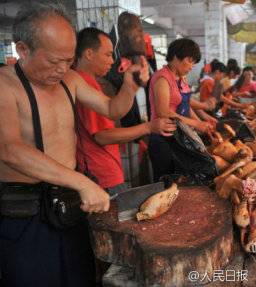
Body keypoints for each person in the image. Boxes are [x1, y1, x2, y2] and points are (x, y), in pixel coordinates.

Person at [0, 3, 149, 287]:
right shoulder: (5, 85)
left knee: (79, 275)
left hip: (69, 205)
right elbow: (10, 149)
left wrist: (129, 87)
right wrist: (82, 182)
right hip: (25, 211)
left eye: (68, 60)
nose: (62, 69)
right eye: (53, 61)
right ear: (22, 49)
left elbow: (112, 109)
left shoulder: (71, 79)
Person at [74, 27, 176, 196]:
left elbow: (113, 110)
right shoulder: (84, 84)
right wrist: (148, 127)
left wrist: (131, 86)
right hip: (101, 175)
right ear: (89, 54)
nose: (113, 61)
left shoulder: (90, 84)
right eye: (107, 54)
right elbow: (102, 136)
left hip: (104, 172)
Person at [148, 38, 213, 182]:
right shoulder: (162, 78)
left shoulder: (180, 79)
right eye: (190, 61)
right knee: (165, 181)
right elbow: (164, 112)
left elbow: (185, 104)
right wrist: (197, 124)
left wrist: (201, 123)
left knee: (181, 182)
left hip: (179, 138)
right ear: (177, 58)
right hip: (163, 139)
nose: (191, 66)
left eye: (193, 63)